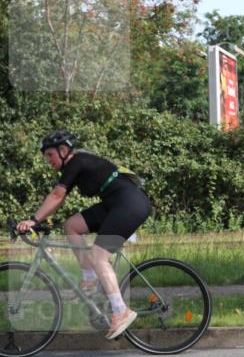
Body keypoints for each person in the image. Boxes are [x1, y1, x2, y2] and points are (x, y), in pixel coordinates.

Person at [15, 130, 152, 339]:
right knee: (72, 226)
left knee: (99, 257)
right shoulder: (75, 165)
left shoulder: (77, 161)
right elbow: (59, 198)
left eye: (50, 154)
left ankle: (120, 310)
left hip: (129, 204)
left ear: (63, 150)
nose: (48, 160)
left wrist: (34, 220)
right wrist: (38, 220)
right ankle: (90, 279)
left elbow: (57, 195)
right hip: (114, 203)